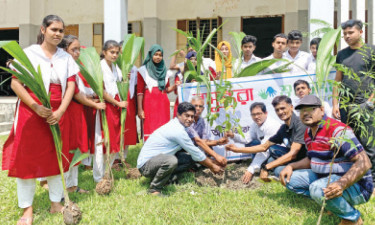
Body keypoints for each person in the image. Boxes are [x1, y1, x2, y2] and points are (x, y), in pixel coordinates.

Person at [2, 15, 78, 224]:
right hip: (32, 111)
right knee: (27, 160)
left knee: (56, 157)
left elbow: (71, 85)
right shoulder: (29, 54)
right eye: (54, 29)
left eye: (61, 31)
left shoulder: (66, 57)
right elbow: (16, 83)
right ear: (43, 30)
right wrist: (35, 106)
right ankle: (27, 209)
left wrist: (61, 110)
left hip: (58, 113)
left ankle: (55, 203)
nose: (58, 34)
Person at [280, 95, 373, 225]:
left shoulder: (337, 130)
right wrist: (291, 166)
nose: (305, 113)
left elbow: (364, 162)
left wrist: (341, 184)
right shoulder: (308, 132)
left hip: (356, 185)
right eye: (301, 110)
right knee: (290, 180)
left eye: (311, 109)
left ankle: (352, 219)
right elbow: (311, 158)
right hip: (326, 176)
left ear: (322, 110)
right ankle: (333, 203)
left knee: (317, 189)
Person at [137, 102, 223, 195]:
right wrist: (212, 166)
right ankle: (154, 189)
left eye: (192, 116)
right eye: (187, 116)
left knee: (189, 159)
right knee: (171, 160)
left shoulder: (182, 126)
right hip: (146, 166)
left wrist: (215, 150)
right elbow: (195, 152)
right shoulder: (177, 130)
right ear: (178, 115)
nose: (190, 119)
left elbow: (195, 143)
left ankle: (166, 177)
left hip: (157, 160)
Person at [59, 35, 106, 193]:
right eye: (74, 49)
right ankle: (64, 185)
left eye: (79, 49)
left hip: (77, 111)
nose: (78, 53)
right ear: (65, 50)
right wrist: (95, 104)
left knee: (76, 147)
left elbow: (81, 93)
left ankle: (72, 185)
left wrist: (91, 97)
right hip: (69, 111)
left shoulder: (74, 67)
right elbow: (76, 94)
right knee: (69, 147)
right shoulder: (62, 66)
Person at [332, 19, 375, 184]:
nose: (347, 36)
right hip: (346, 107)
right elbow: (337, 80)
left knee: (368, 143)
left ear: (361, 32)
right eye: (344, 34)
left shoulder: (371, 51)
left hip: (365, 105)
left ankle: (372, 182)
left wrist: (370, 102)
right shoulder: (342, 54)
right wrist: (336, 104)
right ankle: (357, 178)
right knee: (351, 143)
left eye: (350, 33)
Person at [225, 95, 307, 181]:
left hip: (304, 160)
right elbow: (264, 147)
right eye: (277, 110)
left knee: (275, 166)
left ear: (291, 107)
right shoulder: (283, 128)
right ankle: (283, 170)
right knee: (274, 163)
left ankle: (297, 172)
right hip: (289, 156)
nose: (280, 112)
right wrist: (236, 149)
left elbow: (293, 154)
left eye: (283, 108)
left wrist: (265, 167)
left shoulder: (299, 124)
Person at [225, 102, 281, 183]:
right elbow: (247, 139)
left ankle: (262, 167)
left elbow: (264, 149)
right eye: (253, 114)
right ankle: (259, 166)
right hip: (266, 150)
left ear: (266, 113)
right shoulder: (255, 125)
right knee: (251, 143)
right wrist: (233, 135)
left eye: (259, 114)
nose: (256, 117)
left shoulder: (271, 125)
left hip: (277, 152)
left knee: (272, 164)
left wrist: (250, 170)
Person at [137, 44, 178, 141]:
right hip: (149, 104)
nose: (158, 57)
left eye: (160, 55)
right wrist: (140, 109)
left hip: (163, 104)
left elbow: (166, 89)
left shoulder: (165, 71)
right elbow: (139, 92)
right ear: (151, 55)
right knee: (150, 128)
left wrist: (175, 86)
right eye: (156, 54)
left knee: (163, 129)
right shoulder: (143, 71)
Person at [187, 97, 228, 166]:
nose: (198, 108)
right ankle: (208, 163)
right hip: (186, 148)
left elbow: (204, 140)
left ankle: (202, 163)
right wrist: (216, 154)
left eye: (200, 106)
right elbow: (198, 141)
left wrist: (218, 142)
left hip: (197, 146)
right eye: (195, 106)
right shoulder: (187, 120)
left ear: (203, 109)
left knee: (208, 148)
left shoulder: (201, 120)